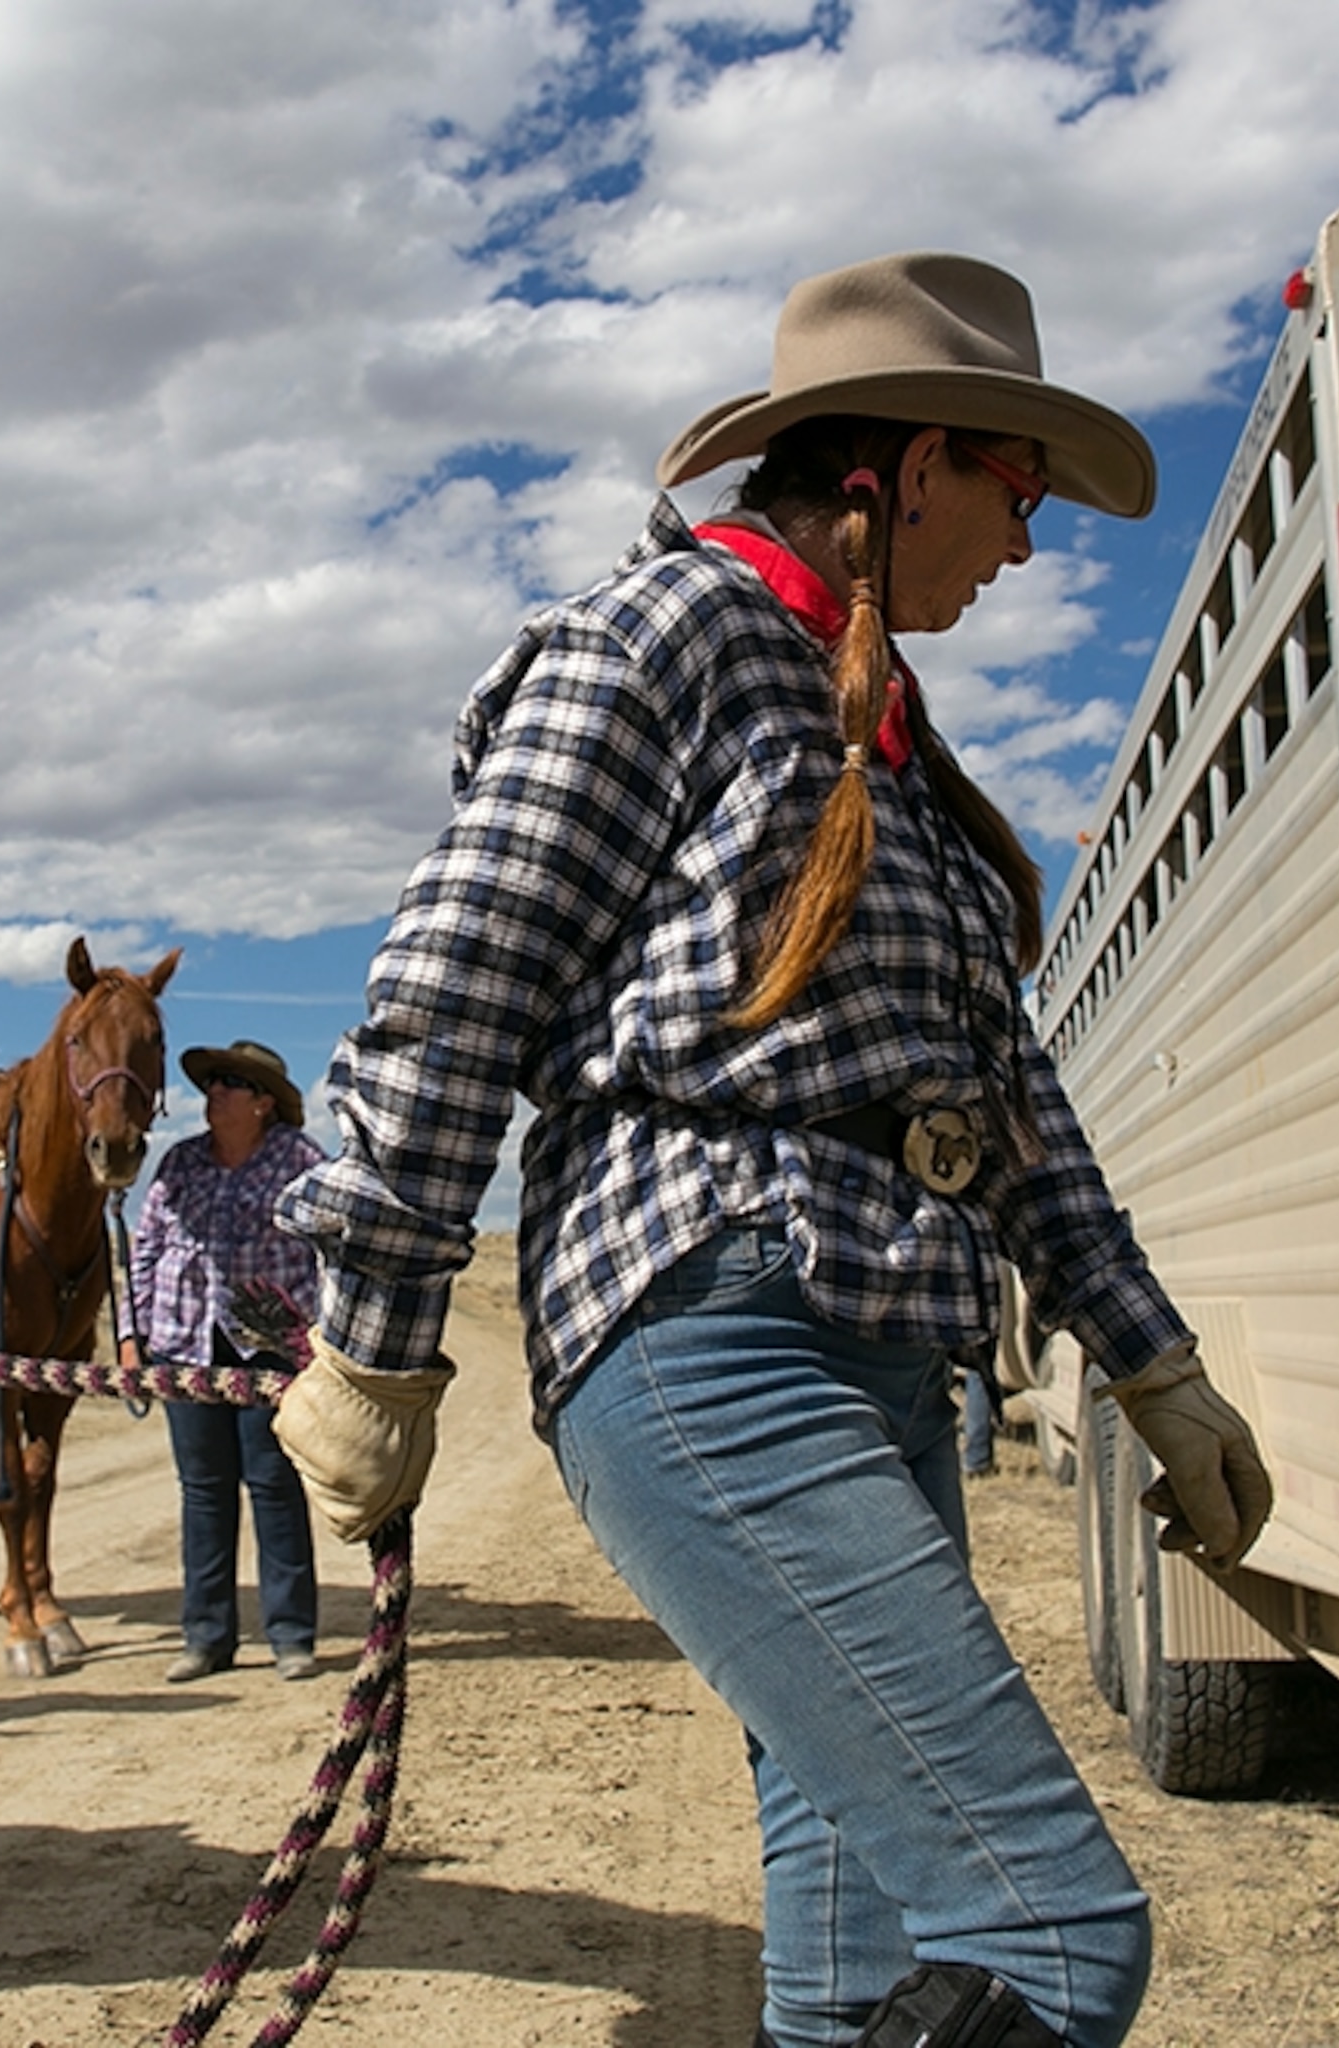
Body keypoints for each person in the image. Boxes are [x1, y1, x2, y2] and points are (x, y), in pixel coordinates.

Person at [270, 253, 1271, 2048]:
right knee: (1050, 1929)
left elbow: (1004, 1101)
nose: (1031, 545)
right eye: (1016, 491)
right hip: (711, 1331)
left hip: (881, 1356)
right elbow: (457, 976)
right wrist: (375, 1331)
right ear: (901, 469)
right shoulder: (665, 636)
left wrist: (1153, 1362)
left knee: (870, 1962)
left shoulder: (875, 721)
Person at [123, 1040, 328, 1684]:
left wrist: (320, 1341)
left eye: (230, 1083)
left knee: (273, 1487)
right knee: (203, 1494)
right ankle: (206, 1638)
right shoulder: (181, 1163)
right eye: (212, 1083)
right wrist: (133, 1336)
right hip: (186, 1346)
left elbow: (330, 1252)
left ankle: (291, 1637)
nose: (214, 1093)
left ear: (264, 1102)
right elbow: (146, 1249)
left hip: (269, 1352)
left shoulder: (300, 1161)